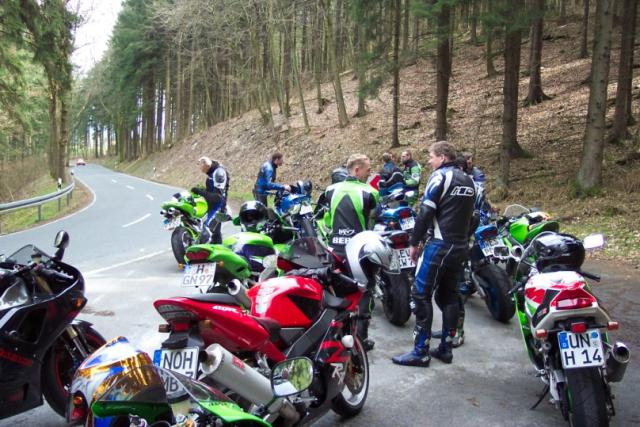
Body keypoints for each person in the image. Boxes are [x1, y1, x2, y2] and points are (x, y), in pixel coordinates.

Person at [392, 141, 475, 367]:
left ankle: (421, 351)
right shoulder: (468, 180)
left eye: (431, 156)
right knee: (448, 296)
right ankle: (446, 349)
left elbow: (426, 211)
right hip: (459, 246)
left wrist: (414, 242)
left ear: (442, 157)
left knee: (420, 295)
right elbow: (473, 217)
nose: (429, 161)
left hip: (440, 244)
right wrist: (463, 239)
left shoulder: (440, 176)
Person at [323, 154, 379, 351]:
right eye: (367, 170)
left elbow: (328, 220)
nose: (369, 173)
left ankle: (337, 338)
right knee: (364, 293)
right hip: (358, 251)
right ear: (357, 170)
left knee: (336, 294)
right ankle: (360, 340)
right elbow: (373, 221)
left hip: (335, 250)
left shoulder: (330, 190)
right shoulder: (370, 192)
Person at [192, 157, 229, 244]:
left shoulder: (219, 172)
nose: (200, 169)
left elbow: (217, 197)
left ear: (207, 166)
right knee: (214, 233)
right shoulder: (211, 173)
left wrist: (200, 192)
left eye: (201, 166)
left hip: (219, 206)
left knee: (207, 231)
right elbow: (211, 191)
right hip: (212, 205)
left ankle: (217, 248)